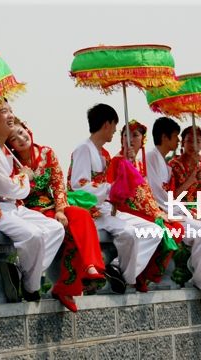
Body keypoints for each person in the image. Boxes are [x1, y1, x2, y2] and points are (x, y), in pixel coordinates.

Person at [0, 100, 65, 303]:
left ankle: (19, 273)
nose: (10, 115)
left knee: (55, 229)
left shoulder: (4, 148)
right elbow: (3, 188)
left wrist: (21, 177)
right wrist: (25, 176)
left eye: (11, 111)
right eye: (4, 112)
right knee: (33, 235)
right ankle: (31, 287)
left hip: (11, 207)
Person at [6, 119, 105, 312]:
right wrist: (23, 177)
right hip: (28, 212)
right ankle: (65, 287)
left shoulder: (46, 153)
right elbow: (10, 193)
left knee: (81, 216)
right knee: (67, 232)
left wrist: (60, 209)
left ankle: (90, 265)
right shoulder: (10, 163)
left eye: (21, 132)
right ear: (10, 145)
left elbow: (58, 184)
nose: (20, 138)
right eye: (13, 138)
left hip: (52, 205)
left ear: (28, 129)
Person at [67, 104, 161, 295]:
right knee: (128, 233)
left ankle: (119, 271)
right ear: (107, 124)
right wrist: (109, 190)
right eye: (115, 126)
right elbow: (79, 185)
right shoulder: (83, 149)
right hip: (91, 213)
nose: (116, 131)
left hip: (106, 210)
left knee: (154, 231)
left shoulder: (104, 154)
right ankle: (125, 278)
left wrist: (128, 164)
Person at [145, 117, 201, 304]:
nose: (180, 141)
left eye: (196, 141)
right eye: (178, 137)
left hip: (179, 210)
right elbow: (158, 196)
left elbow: (169, 195)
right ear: (165, 137)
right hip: (163, 211)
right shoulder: (157, 159)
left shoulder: (169, 163)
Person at [106, 120, 182, 292]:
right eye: (126, 135)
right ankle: (125, 271)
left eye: (135, 135)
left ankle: (145, 275)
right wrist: (127, 164)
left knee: (176, 228)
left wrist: (157, 212)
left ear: (143, 139)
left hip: (142, 209)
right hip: (126, 209)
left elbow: (145, 194)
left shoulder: (141, 163)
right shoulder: (118, 160)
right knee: (162, 228)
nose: (130, 139)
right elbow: (119, 192)